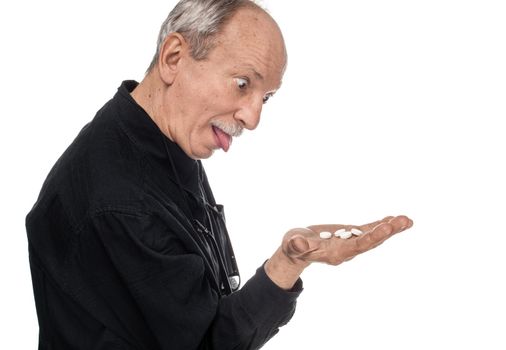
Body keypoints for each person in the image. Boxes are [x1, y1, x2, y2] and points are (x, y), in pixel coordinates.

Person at [26, 0, 413, 349]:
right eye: (243, 84)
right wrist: (286, 266)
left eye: (266, 97)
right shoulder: (124, 202)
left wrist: (290, 259)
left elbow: (203, 317)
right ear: (174, 58)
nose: (253, 117)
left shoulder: (162, 137)